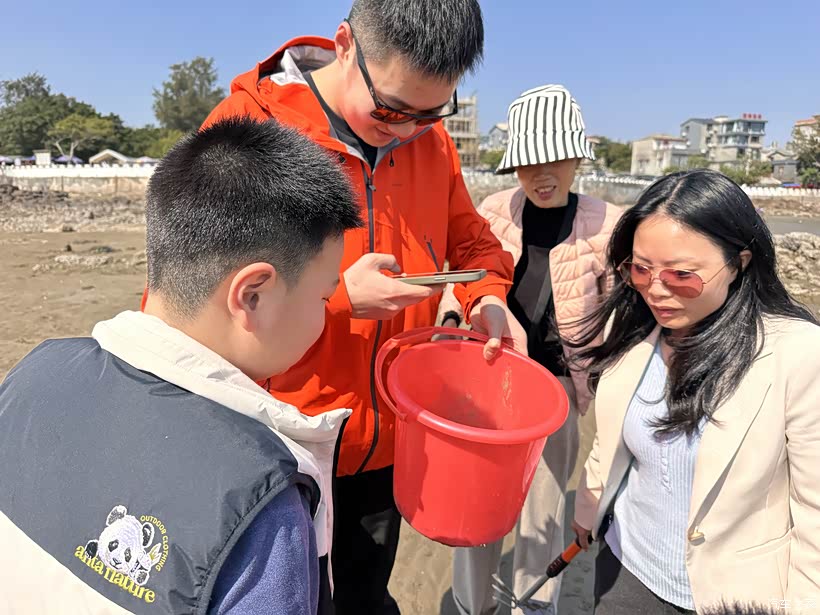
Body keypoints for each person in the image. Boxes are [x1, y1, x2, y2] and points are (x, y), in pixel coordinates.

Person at [142, 2, 526, 612]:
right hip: (278, 439)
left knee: (363, 593)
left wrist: (488, 298)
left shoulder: (431, 145)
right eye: (392, 109)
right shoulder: (249, 127)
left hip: (388, 436)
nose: (406, 132)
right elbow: (182, 304)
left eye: (431, 114)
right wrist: (341, 298)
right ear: (345, 44)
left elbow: (475, 243)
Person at [0, 116, 363, 614]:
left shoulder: (34, 372)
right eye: (324, 297)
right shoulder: (262, 497)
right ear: (252, 295)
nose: (325, 315)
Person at [570, 170, 820, 613]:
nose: (656, 290)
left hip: (736, 596)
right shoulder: (634, 330)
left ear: (739, 263)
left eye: (682, 275)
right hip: (625, 571)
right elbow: (608, 440)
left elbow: (814, 510)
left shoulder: (797, 354)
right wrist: (587, 509)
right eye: (641, 269)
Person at [442, 85, 620, 615]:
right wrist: (450, 319)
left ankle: (533, 605)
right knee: (478, 505)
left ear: (578, 158)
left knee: (543, 509)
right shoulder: (494, 212)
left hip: (557, 390)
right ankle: (473, 605)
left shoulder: (607, 226)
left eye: (556, 160)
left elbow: (621, 313)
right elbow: (464, 277)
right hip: (489, 377)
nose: (543, 175)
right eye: (529, 163)